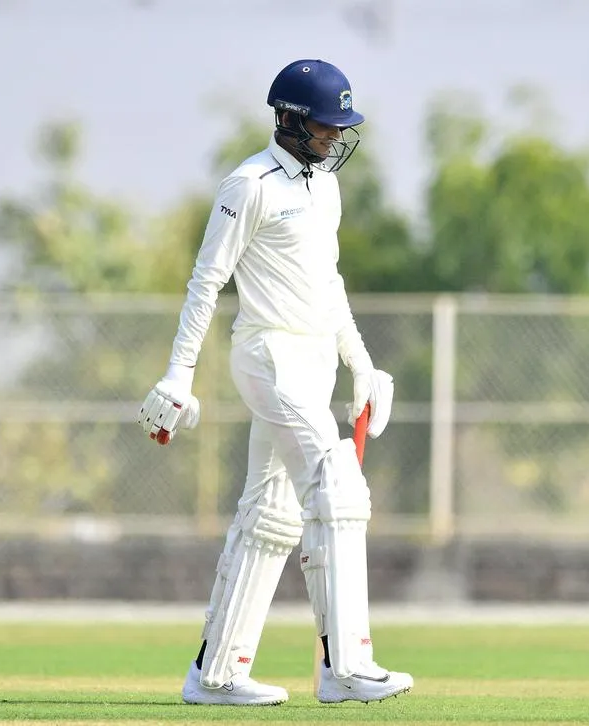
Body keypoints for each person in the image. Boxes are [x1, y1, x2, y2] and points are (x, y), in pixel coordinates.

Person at [137, 59, 413, 707]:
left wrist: (361, 362)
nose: (333, 139)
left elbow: (329, 284)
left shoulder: (325, 188)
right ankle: (345, 667)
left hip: (314, 360)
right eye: (323, 127)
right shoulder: (248, 185)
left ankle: (217, 676)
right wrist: (179, 372)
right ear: (288, 120)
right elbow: (207, 281)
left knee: (271, 514)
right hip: (267, 356)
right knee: (336, 482)